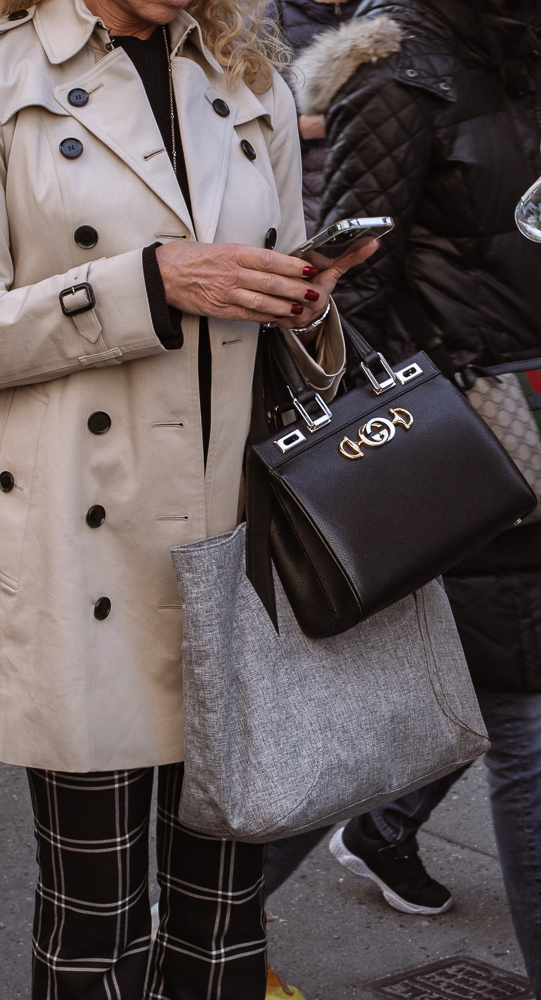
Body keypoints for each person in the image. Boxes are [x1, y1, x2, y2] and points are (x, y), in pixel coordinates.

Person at [0, 0, 379, 996]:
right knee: (96, 923)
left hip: (235, 539)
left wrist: (304, 298)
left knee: (222, 922)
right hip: (84, 541)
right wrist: (146, 285)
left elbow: (274, 313)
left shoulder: (246, 73)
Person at [278, 0, 541, 994]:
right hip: (468, 458)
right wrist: (444, 423)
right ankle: (189, 929)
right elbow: (346, 296)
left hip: (523, 441)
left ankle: (195, 923)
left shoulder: (520, 54)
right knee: (515, 725)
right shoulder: (399, 70)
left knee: (406, 722)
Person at [273, 0, 360, 233]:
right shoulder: (269, 14)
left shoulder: (382, 17)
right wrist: (300, 129)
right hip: (299, 207)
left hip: (371, 195)